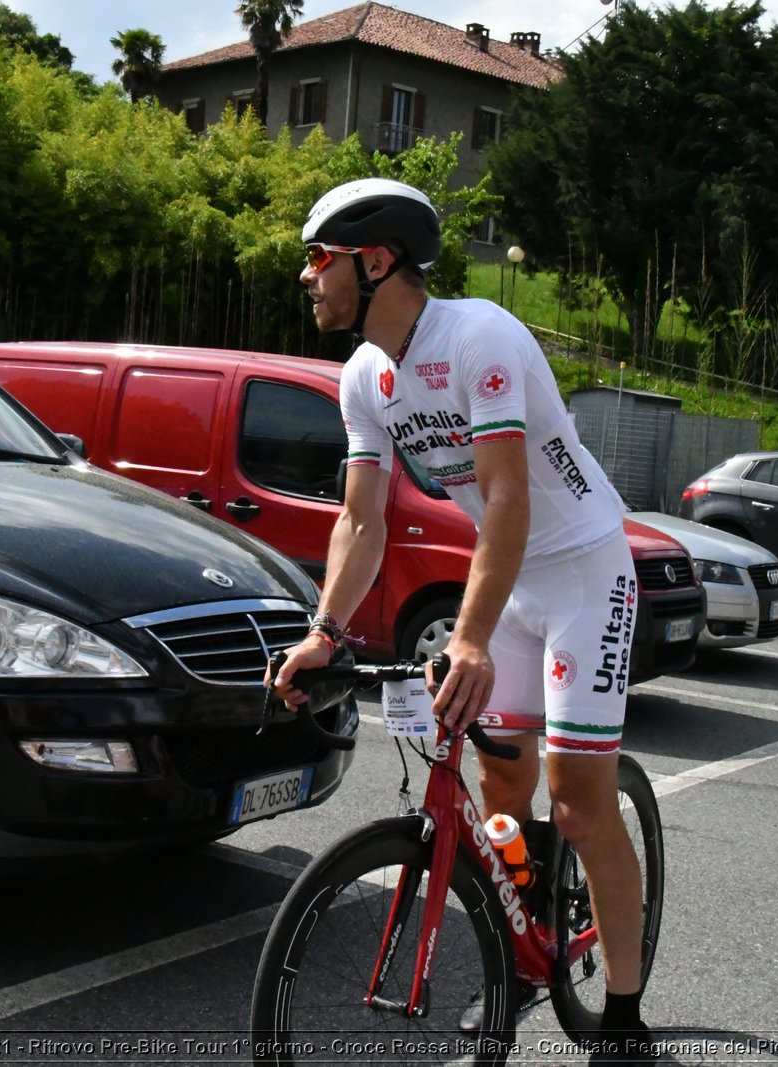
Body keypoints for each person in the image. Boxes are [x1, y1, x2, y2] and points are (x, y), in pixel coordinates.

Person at [270, 178, 658, 1065]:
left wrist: (470, 635)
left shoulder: (480, 336)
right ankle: (523, 950)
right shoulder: (364, 376)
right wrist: (324, 630)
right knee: (502, 788)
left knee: (578, 800)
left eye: (317, 258)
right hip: (510, 579)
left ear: (375, 262)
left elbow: (509, 495)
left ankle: (625, 1012)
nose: (306, 276)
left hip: (585, 568)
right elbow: (361, 521)